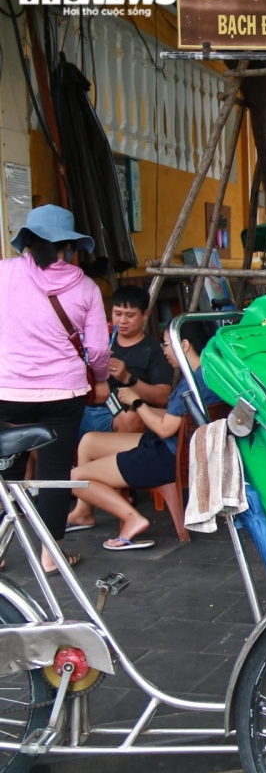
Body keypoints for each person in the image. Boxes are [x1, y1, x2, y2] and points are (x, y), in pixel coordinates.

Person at [0, 205, 110, 574]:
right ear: (68, 247)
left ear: (27, 243)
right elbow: (97, 349)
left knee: (5, 471)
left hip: (8, 391)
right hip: (64, 394)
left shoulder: (3, 274)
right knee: (55, 470)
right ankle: (51, 555)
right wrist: (100, 379)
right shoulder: (86, 288)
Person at [67, 322, 224, 550]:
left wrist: (137, 403)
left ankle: (132, 518)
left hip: (168, 455)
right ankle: (83, 512)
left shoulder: (191, 384)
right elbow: (176, 418)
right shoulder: (208, 373)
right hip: (178, 446)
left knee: (75, 477)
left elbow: (164, 429)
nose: (164, 350)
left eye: (166, 344)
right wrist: (144, 410)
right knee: (90, 441)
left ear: (185, 345)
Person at [79, 285, 175, 438]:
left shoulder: (155, 350)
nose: (122, 321)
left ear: (145, 315)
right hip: (84, 410)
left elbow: (163, 397)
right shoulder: (98, 341)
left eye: (130, 315)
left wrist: (127, 378)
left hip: (120, 414)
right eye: (117, 314)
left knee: (130, 418)